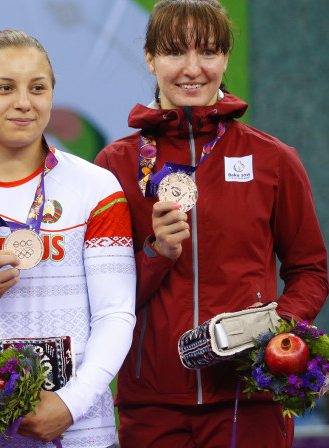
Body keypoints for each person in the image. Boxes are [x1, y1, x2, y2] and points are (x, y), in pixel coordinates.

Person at [94, 1, 329, 446]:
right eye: (173, 52)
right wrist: (155, 256)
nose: (192, 69)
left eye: (207, 52)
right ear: (149, 59)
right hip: (152, 402)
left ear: (225, 59)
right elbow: (104, 293)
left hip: (248, 398)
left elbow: (310, 270)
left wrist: (273, 332)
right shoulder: (115, 165)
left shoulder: (272, 159)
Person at [0, 30, 136, 447]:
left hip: (79, 428)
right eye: (5, 87)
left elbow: (115, 315)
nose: (24, 102)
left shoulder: (97, 188)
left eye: (38, 88)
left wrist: (70, 405)